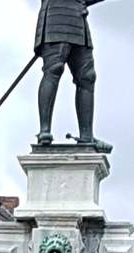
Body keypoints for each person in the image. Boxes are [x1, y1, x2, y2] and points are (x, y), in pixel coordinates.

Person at [32, 0, 107, 150]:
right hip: (56, 15)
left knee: (87, 77)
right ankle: (44, 131)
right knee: (54, 69)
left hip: (78, 19)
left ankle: (87, 135)